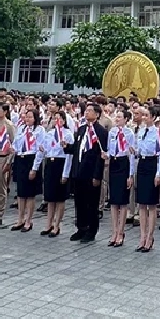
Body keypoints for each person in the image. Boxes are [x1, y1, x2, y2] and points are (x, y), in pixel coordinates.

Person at [71, 103, 108, 243]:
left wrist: (97, 175)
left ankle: (91, 231)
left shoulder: (101, 132)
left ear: (97, 114)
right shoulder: (81, 130)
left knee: (91, 203)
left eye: (90, 111)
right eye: (86, 111)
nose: (87, 113)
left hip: (91, 173)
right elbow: (76, 149)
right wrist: (66, 147)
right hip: (79, 171)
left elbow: (101, 155)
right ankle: (81, 228)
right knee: (79, 202)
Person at [131, 105, 160, 253]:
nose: (144, 118)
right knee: (141, 204)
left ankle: (150, 237)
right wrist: (135, 151)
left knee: (151, 204)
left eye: (146, 115)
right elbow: (139, 150)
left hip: (152, 164)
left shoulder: (158, 133)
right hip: (142, 164)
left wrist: (159, 173)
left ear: (153, 117)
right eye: (143, 115)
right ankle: (142, 236)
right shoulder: (141, 131)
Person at [35, 108, 73, 238]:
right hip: (50, 164)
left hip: (61, 164)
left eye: (60, 119)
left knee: (60, 198)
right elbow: (45, 149)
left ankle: (57, 225)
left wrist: (65, 173)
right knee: (50, 197)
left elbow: (69, 155)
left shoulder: (67, 134)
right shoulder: (49, 133)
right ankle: (48, 223)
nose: (58, 121)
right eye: (56, 118)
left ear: (64, 121)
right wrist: (42, 150)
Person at [10, 107, 43, 231]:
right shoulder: (21, 129)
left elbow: (39, 150)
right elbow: (16, 143)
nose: (27, 119)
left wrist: (34, 168)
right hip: (20, 159)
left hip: (31, 159)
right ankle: (20, 218)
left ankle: (29, 220)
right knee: (20, 192)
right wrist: (13, 149)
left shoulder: (39, 130)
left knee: (29, 194)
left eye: (30, 117)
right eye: (26, 116)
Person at [105, 108, 134, 247]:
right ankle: (114, 231)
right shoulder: (112, 132)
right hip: (114, 163)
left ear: (126, 119)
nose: (117, 119)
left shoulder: (129, 133)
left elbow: (132, 155)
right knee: (114, 200)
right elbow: (109, 148)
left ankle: (121, 231)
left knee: (122, 201)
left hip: (124, 164)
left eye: (120, 117)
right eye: (116, 117)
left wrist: (131, 174)